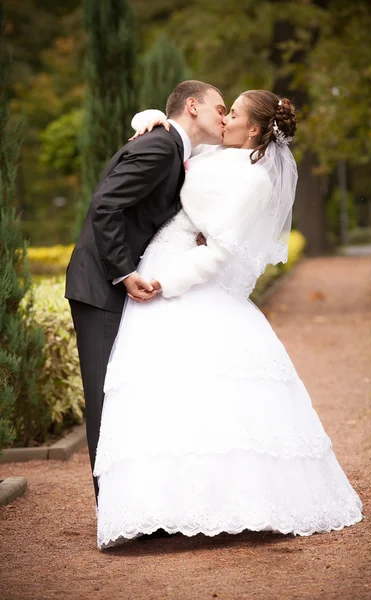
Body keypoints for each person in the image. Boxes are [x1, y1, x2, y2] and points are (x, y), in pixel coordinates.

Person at [94, 90, 363, 550]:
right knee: (165, 393)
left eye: (233, 113)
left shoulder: (255, 181)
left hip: (179, 279)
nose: (225, 118)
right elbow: (182, 139)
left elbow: (220, 250)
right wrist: (151, 115)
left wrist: (168, 283)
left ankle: (223, 503)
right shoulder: (216, 152)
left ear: (254, 129)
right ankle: (167, 505)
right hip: (160, 256)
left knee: (207, 393)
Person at [65, 81, 227, 500]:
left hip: (123, 286)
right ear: (192, 106)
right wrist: (122, 272)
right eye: (220, 108)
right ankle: (115, 507)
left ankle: (140, 501)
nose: (225, 118)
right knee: (106, 397)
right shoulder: (159, 147)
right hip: (102, 286)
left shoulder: (174, 147)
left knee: (129, 392)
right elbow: (105, 205)